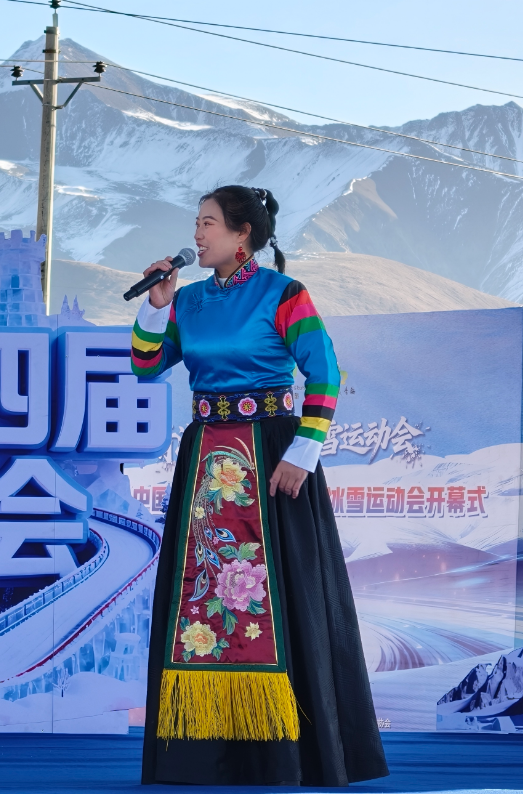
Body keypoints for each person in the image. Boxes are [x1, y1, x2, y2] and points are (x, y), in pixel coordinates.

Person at [132, 186, 387, 787]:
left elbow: (324, 371)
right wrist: (155, 308)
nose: (197, 235)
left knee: (281, 597)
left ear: (242, 233)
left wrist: (305, 450)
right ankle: (206, 750)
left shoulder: (283, 293)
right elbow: (145, 367)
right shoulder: (187, 299)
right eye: (196, 223)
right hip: (206, 461)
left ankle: (292, 751)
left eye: (208, 223)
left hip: (271, 453)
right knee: (201, 598)